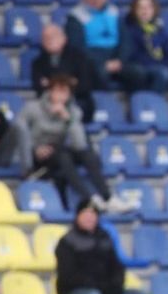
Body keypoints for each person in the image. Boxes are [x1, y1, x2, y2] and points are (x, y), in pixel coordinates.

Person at [17, 77, 120, 212]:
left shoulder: (74, 111)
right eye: (58, 91)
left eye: (65, 92)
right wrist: (34, 148)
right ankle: (89, 198)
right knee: (62, 155)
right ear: (50, 92)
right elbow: (19, 129)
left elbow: (79, 144)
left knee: (86, 153)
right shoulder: (33, 108)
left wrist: (69, 120)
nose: (61, 96)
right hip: (38, 154)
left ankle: (108, 197)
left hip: (61, 152)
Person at [54, 202, 142, 294]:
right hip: (74, 291)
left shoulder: (105, 237)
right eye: (85, 215)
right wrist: (97, 285)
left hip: (105, 290)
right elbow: (68, 275)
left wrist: (115, 285)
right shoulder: (67, 242)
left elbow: (117, 265)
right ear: (78, 217)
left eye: (93, 215)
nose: (89, 218)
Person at [118, 0, 168, 94]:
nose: (145, 11)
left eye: (148, 7)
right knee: (162, 73)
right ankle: (154, 106)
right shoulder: (129, 29)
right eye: (140, 7)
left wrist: (165, 64)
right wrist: (160, 65)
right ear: (134, 10)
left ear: (154, 10)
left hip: (161, 65)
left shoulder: (159, 30)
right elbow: (133, 56)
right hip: (142, 68)